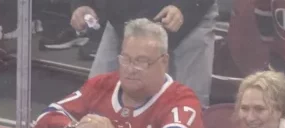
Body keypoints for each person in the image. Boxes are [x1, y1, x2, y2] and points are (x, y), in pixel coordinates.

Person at [32, 18, 204, 128]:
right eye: (126, 59)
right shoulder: (101, 85)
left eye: (141, 61)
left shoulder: (181, 98)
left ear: (164, 61)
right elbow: (44, 119)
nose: (130, 68)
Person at [69, 0, 218, 106]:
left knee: (189, 105)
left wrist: (184, 7)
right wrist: (83, 4)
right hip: (124, 16)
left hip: (186, 19)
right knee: (93, 98)